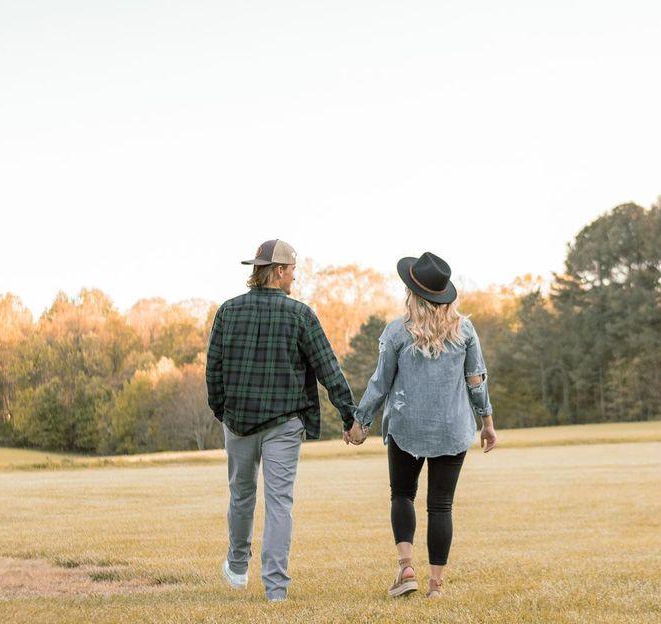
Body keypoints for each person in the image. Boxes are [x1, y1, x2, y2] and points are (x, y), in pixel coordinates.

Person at [206, 238, 358, 602]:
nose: (294, 277)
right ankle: (275, 590)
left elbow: (213, 370)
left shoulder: (228, 311)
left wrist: (223, 411)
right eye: (291, 271)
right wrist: (350, 415)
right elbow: (329, 369)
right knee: (279, 504)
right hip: (284, 423)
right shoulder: (300, 315)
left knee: (241, 496)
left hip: (239, 422)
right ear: (278, 271)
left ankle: (238, 567)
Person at [347, 251, 498, 598]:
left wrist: (360, 422)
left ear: (412, 293)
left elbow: (380, 383)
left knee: (402, 494)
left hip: (406, 427)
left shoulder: (396, 332)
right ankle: (435, 586)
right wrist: (487, 422)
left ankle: (406, 568)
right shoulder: (465, 330)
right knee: (441, 505)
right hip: (452, 428)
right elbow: (476, 381)